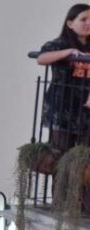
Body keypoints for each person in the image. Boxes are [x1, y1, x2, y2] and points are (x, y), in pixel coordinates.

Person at [38, 4, 90, 153]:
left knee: (84, 157)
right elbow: (41, 58)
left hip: (85, 110)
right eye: (83, 19)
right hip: (63, 109)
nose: (88, 23)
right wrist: (68, 52)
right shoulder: (61, 43)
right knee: (60, 155)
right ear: (70, 23)